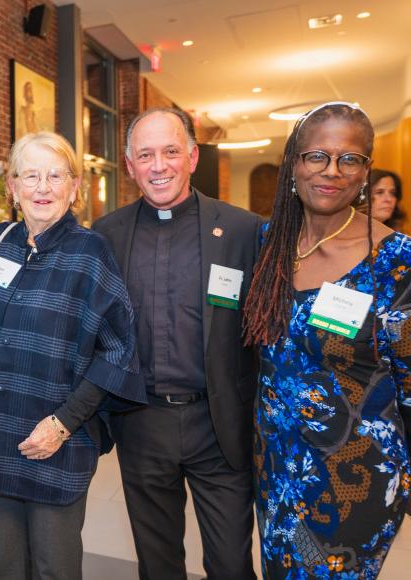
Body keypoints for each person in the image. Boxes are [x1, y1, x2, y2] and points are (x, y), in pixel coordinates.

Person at [0, 131, 145, 580]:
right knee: (6, 564)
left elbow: (119, 351)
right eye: (30, 175)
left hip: (56, 444)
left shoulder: (91, 254)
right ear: (12, 187)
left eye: (55, 175)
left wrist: (63, 423)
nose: (42, 188)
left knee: (54, 568)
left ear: (74, 188)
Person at [243, 102, 411, 578]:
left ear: (365, 172)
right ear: (294, 164)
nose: (331, 171)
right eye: (317, 156)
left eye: (349, 159)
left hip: (354, 479)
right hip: (277, 468)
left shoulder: (394, 261)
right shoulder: (269, 244)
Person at [94, 107, 261, 580]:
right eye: (145, 155)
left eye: (170, 151)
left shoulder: (243, 230)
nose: (158, 165)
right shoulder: (106, 235)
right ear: (129, 165)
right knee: (158, 562)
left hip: (220, 422)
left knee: (231, 563)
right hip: (141, 421)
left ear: (192, 155)